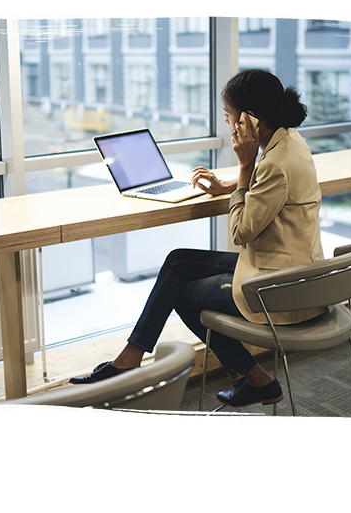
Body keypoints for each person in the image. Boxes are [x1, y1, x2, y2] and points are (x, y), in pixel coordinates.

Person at [70, 69, 325, 409]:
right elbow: (272, 187)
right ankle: (130, 359)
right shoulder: (289, 141)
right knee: (178, 262)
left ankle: (254, 378)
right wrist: (234, 183)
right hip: (292, 266)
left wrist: (244, 169)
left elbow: (240, 232)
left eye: (229, 116)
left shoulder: (272, 162)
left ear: (249, 120)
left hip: (279, 285)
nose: (228, 124)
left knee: (185, 297)